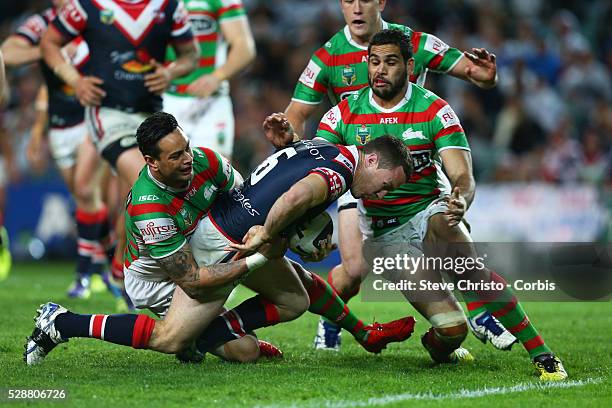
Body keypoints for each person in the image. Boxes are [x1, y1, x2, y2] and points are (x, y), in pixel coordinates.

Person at [276, 29, 567, 380]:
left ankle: (543, 355)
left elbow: (462, 175)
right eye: (374, 62)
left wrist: (460, 198)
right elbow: (317, 164)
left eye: (391, 62)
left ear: (410, 66)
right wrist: (290, 143)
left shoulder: (434, 109)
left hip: (430, 209)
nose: (380, 70)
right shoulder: (343, 115)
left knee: (467, 265)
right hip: (384, 233)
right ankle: (441, 342)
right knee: (451, 329)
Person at [24, 112, 415, 366]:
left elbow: (248, 194)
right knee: (170, 340)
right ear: (151, 163)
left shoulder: (206, 161)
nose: (187, 160)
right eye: (175, 156)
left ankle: (360, 332)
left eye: (186, 149)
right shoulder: (149, 208)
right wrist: (265, 245)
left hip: (218, 238)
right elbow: (192, 278)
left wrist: (275, 234)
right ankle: (62, 322)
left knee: (287, 304)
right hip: (159, 275)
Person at [281, 0, 508, 351]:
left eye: (364, 0)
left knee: (451, 232)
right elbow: (296, 113)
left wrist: (486, 76)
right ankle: (333, 318)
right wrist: (292, 145)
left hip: (416, 167)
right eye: (347, 1)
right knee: (354, 270)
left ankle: (477, 311)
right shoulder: (327, 57)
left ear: (381, 2)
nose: (355, 8)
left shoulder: (414, 42)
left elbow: (474, 71)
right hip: (357, 173)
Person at [41, 0, 200, 285]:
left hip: (152, 114)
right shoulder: (87, 5)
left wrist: (169, 72)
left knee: (139, 189)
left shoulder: (169, 6)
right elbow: (50, 42)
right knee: (149, 175)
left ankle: (121, 266)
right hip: (107, 112)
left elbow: (191, 55)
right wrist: (74, 80)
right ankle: (160, 271)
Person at [1, 1, 122, 300]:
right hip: (60, 124)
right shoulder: (45, 23)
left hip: (94, 116)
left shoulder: (98, 15)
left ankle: (83, 274)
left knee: (85, 189)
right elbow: (8, 52)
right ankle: (110, 267)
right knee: (87, 199)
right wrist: (48, 51)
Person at [163, 0, 255, 159]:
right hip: (165, 100)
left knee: (218, 174)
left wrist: (216, 77)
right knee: (157, 176)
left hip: (210, 102)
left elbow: (244, 47)